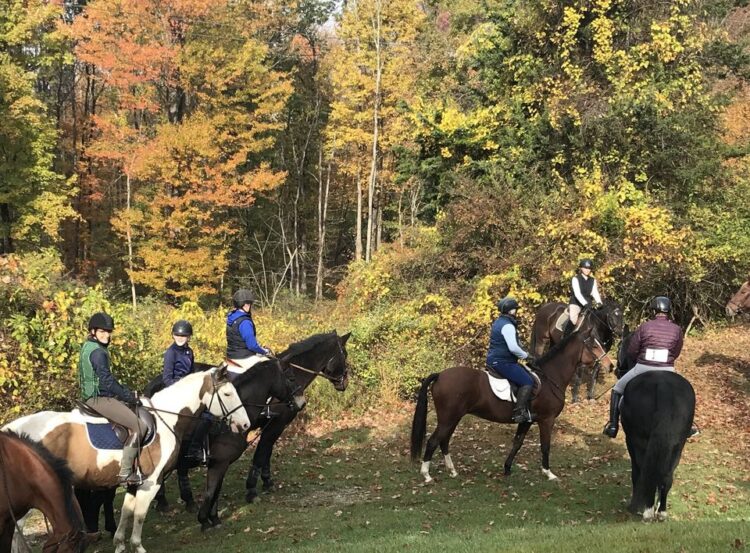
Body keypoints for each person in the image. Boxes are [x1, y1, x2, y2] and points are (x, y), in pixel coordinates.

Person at [603, 296, 686, 438]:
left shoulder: (644, 327)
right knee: (682, 394)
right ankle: (689, 426)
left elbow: (632, 350)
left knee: (617, 389)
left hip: (643, 367)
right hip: (667, 369)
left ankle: (613, 425)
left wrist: (640, 359)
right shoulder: (677, 329)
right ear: (668, 311)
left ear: (653, 310)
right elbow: (676, 352)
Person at [78, 312, 141, 485]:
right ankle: (126, 473)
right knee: (138, 426)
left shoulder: (87, 347)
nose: (106, 335)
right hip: (98, 398)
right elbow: (107, 381)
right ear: (93, 332)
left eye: (108, 331)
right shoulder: (98, 353)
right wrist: (128, 396)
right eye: (102, 332)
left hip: (89, 395)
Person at [162, 319, 210, 463]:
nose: (180, 338)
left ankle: (198, 448)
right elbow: (167, 379)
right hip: (176, 390)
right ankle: (187, 450)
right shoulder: (171, 353)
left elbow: (190, 373)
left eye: (183, 336)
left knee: (208, 415)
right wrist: (184, 386)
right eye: (177, 335)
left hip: (189, 391)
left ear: (188, 337)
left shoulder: (189, 352)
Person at [486, 297, 534, 423]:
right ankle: (519, 412)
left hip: (494, 359)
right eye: (515, 310)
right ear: (511, 311)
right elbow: (513, 347)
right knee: (527, 381)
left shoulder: (498, 322)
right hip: (503, 362)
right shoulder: (508, 325)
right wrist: (526, 356)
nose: (516, 312)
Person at [226, 288, 270, 368]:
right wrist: (264, 351)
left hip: (231, 356)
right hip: (244, 358)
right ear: (245, 305)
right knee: (270, 365)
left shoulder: (231, 317)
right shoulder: (245, 322)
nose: (250, 306)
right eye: (250, 304)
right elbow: (252, 346)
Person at [563, 259, 603, 337]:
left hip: (589, 305)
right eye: (585, 268)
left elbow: (595, 292)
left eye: (589, 268)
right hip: (576, 304)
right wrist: (585, 303)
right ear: (581, 268)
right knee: (573, 320)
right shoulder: (575, 279)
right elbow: (577, 294)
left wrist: (599, 302)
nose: (587, 270)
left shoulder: (592, 280)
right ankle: (565, 338)